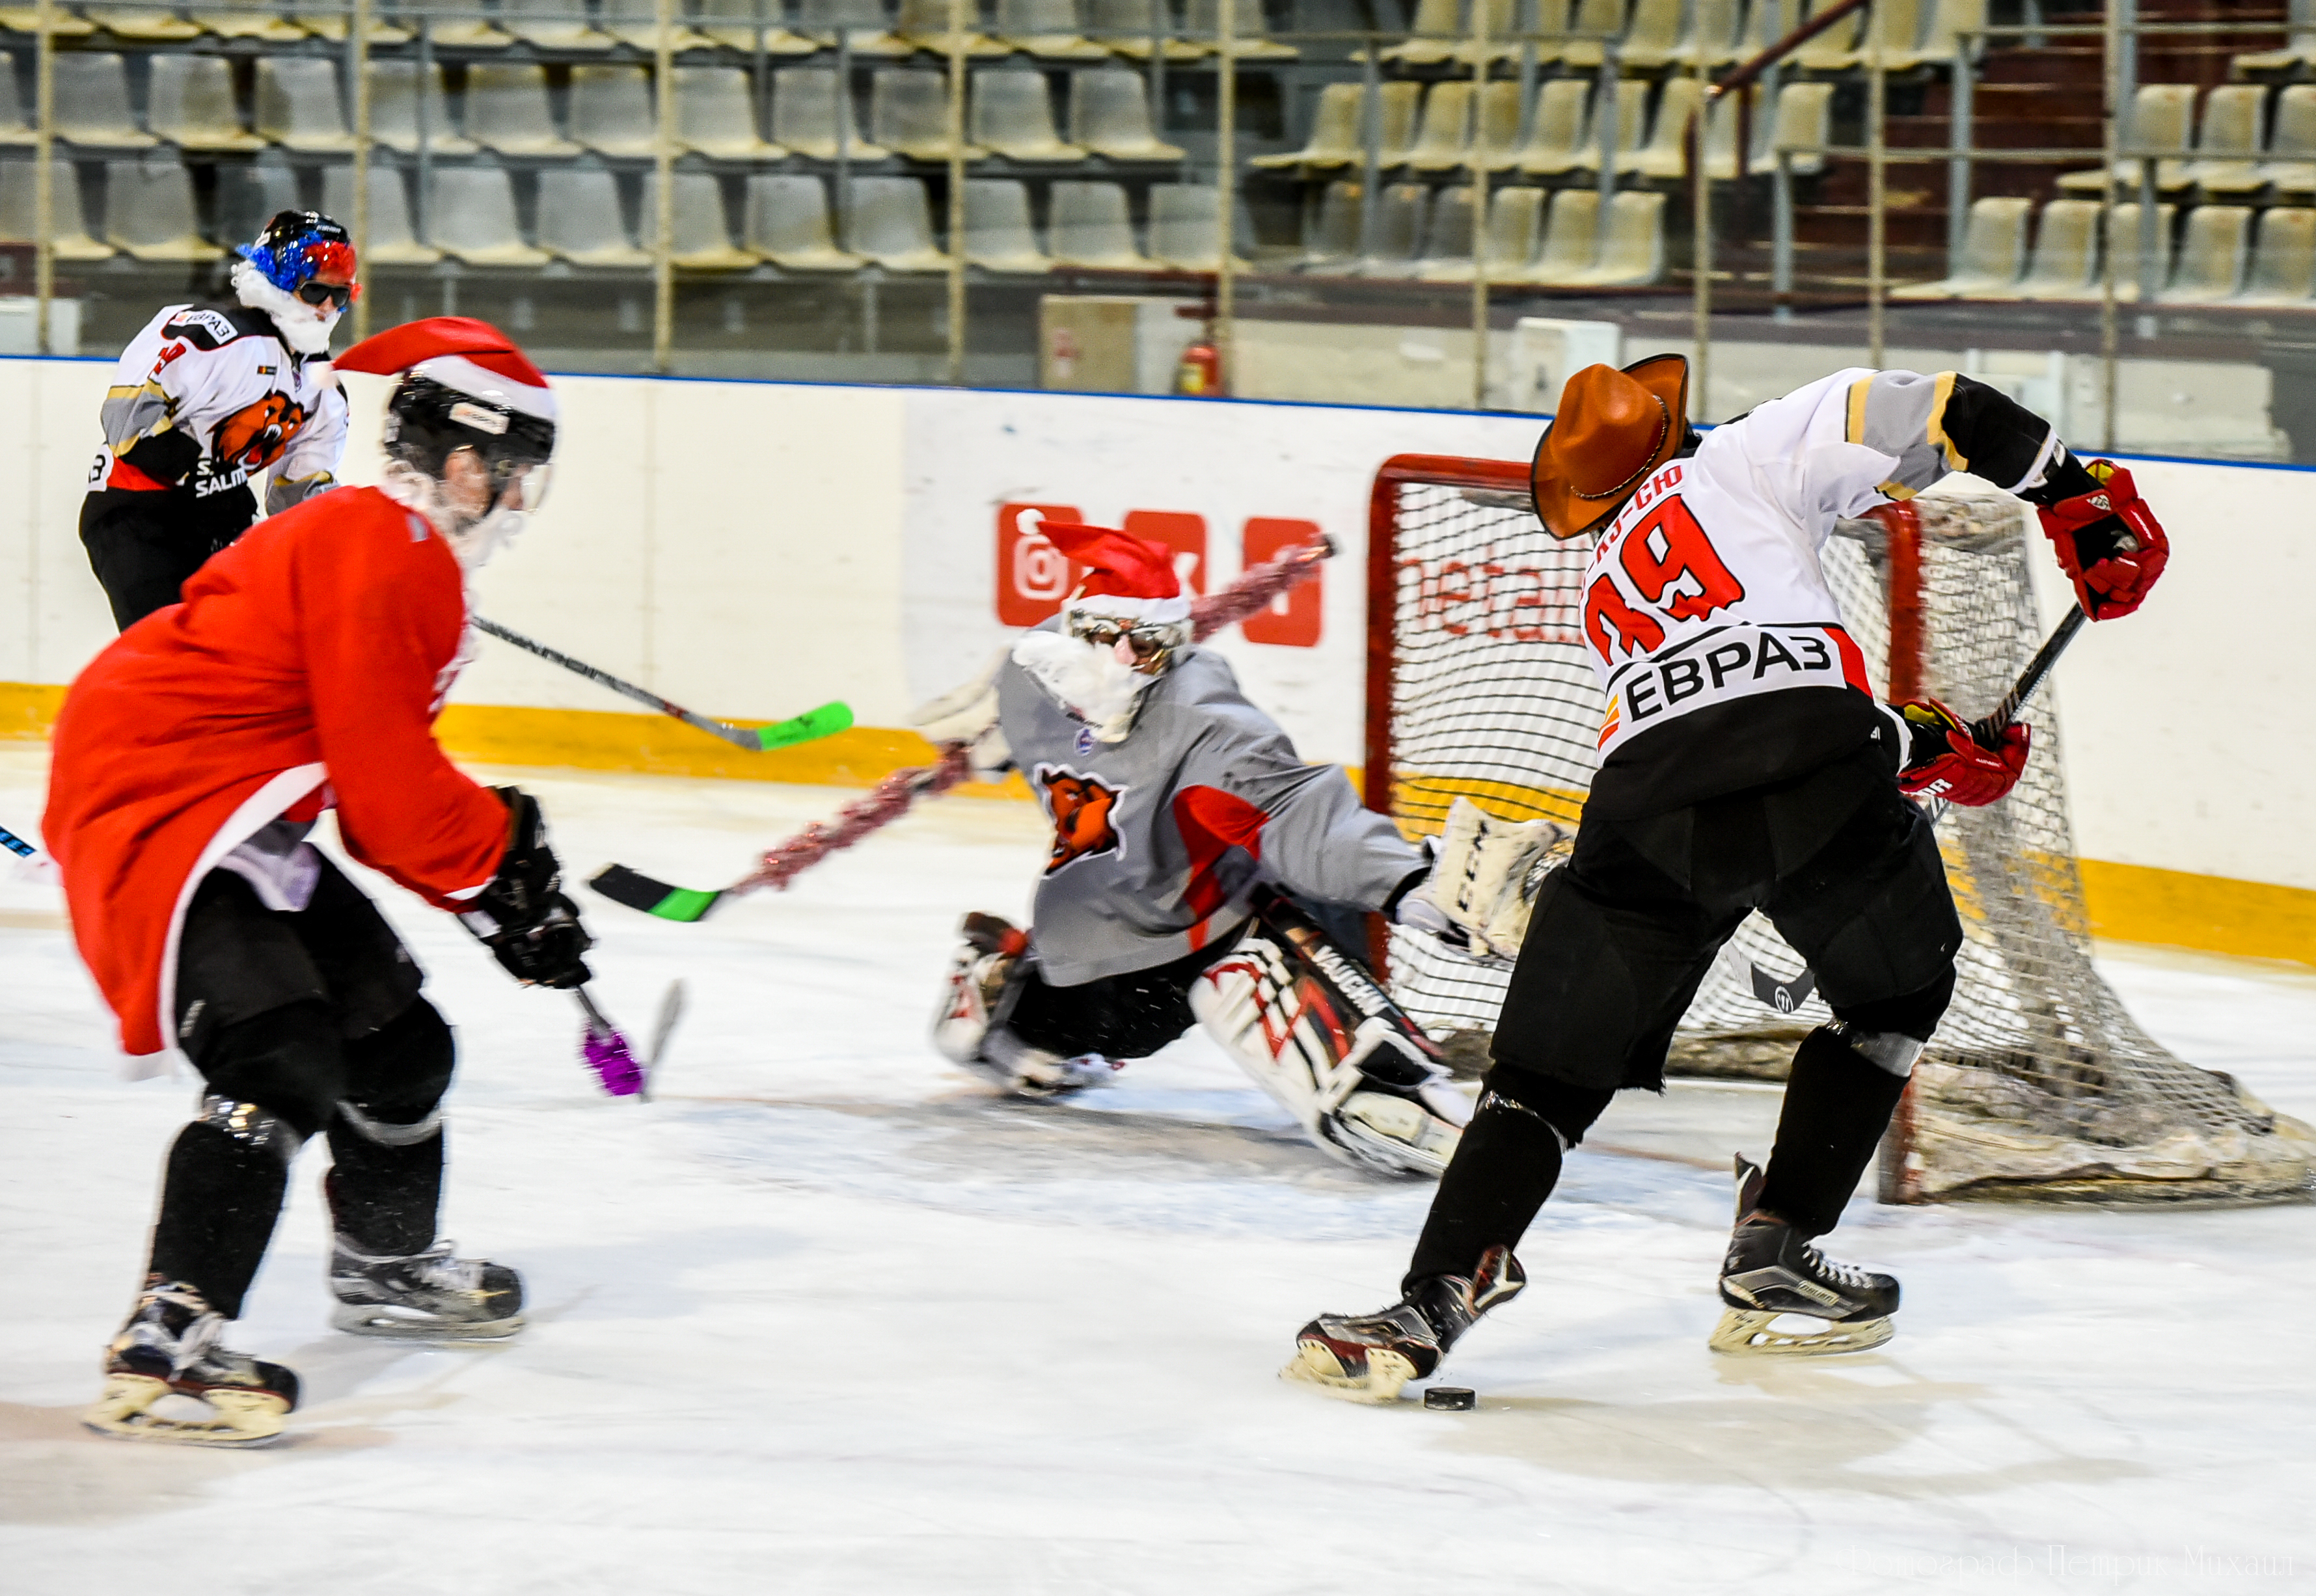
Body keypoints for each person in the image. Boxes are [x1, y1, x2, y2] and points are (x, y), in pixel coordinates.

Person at [1282, 357, 2170, 1398]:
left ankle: (1431, 1297)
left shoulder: (1611, 579)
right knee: (1897, 995)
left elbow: (1719, 705)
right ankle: (1778, 1242)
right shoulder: (1743, 451)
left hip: (1644, 801)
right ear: (1669, 431)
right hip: (1813, 762)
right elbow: (1949, 409)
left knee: (1543, 1077)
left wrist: (1909, 738)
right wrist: (2075, 494)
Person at [46, 316, 592, 1448]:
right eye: (515, 475)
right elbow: (391, 801)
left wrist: (499, 881)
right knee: (279, 1050)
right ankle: (175, 1326)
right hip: (162, 796)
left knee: (400, 1047)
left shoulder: (387, 545)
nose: (517, 503)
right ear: (465, 461)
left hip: (229, 800)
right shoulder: (383, 543)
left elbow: (374, 775)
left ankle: (384, 1261)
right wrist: (500, 869)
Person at [913, 520, 1559, 1176]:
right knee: (1132, 1003)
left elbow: (1291, 813)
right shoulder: (1034, 676)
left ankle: (1387, 1081)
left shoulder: (1175, 713)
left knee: (1275, 905)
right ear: (1079, 630)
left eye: (1149, 645)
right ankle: (1007, 995)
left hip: (1149, 928)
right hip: (1124, 954)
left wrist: (1408, 882)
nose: (1127, 661)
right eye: (1111, 639)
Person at [79, 210, 359, 629]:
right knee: (169, 663)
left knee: (238, 659)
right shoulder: (215, 336)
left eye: (339, 297)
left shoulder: (324, 389)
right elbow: (128, 422)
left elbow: (296, 494)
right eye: (316, 291)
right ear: (279, 281)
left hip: (219, 521)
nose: (326, 308)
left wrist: (333, 540)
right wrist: (207, 479)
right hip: (138, 513)